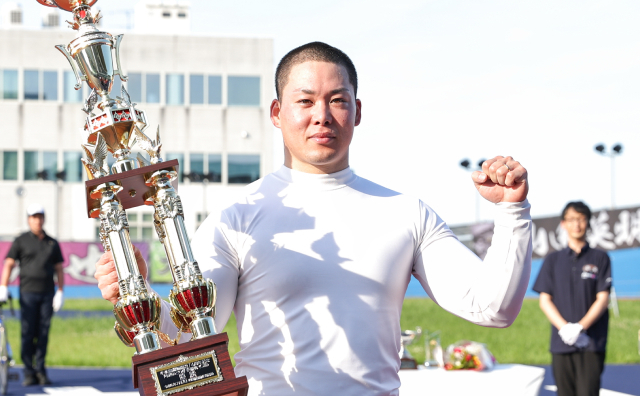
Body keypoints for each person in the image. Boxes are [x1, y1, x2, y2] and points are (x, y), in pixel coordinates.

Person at [95, 42, 533, 396]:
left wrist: (512, 211)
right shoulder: (237, 216)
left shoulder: (405, 212)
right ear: (276, 113)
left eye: (337, 100)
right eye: (305, 101)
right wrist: (132, 291)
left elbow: (492, 307)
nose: (321, 115)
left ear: (357, 112)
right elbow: (190, 338)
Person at [533, 201, 611, 396]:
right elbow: (545, 299)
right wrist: (565, 329)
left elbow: (603, 298)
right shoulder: (553, 260)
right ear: (563, 224)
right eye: (572, 219)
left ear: (588, 223)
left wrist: (580, 328)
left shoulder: (600, 258)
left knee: (588, 392)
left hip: (591, 342)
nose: (577, 224)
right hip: (562, 343)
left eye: (582, 219)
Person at [0, 204, 65, 387]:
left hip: (47, 295)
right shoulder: (21, 240)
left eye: (40, 217)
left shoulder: (52, 242)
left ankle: (41, 370)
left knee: (43, 333)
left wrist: (60, 291)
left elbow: (59, 268)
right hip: (27, 293)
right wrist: (3, 286)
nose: (37, 220)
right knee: (28, 333)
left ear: (43, 219)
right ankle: (28, 371)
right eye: (34, 217)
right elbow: (9, 264)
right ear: (29, 219)